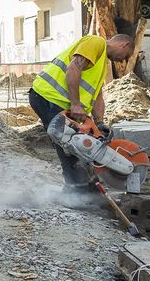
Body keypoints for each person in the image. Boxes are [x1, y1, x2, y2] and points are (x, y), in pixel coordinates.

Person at [28, 33, 135, 192]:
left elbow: (97, 96)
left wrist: (99, 123)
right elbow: (73, 68)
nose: (121, 61)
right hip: (49, 97)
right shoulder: (96, 42)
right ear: (124, 45)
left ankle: (81, 188)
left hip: (58, 103)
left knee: (74, 145)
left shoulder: (101, 63)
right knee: (73, 144)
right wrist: (76, 105)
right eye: (125, 56)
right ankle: (79, 190)